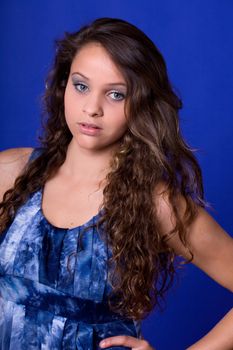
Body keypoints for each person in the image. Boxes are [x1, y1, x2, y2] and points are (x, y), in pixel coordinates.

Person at [0, 17, 232, 350]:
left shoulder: (156, 203)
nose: (92, 108)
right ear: (63, 85)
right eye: (81, 86)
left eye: (116, 94)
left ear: (142, 103)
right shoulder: (13, 172)